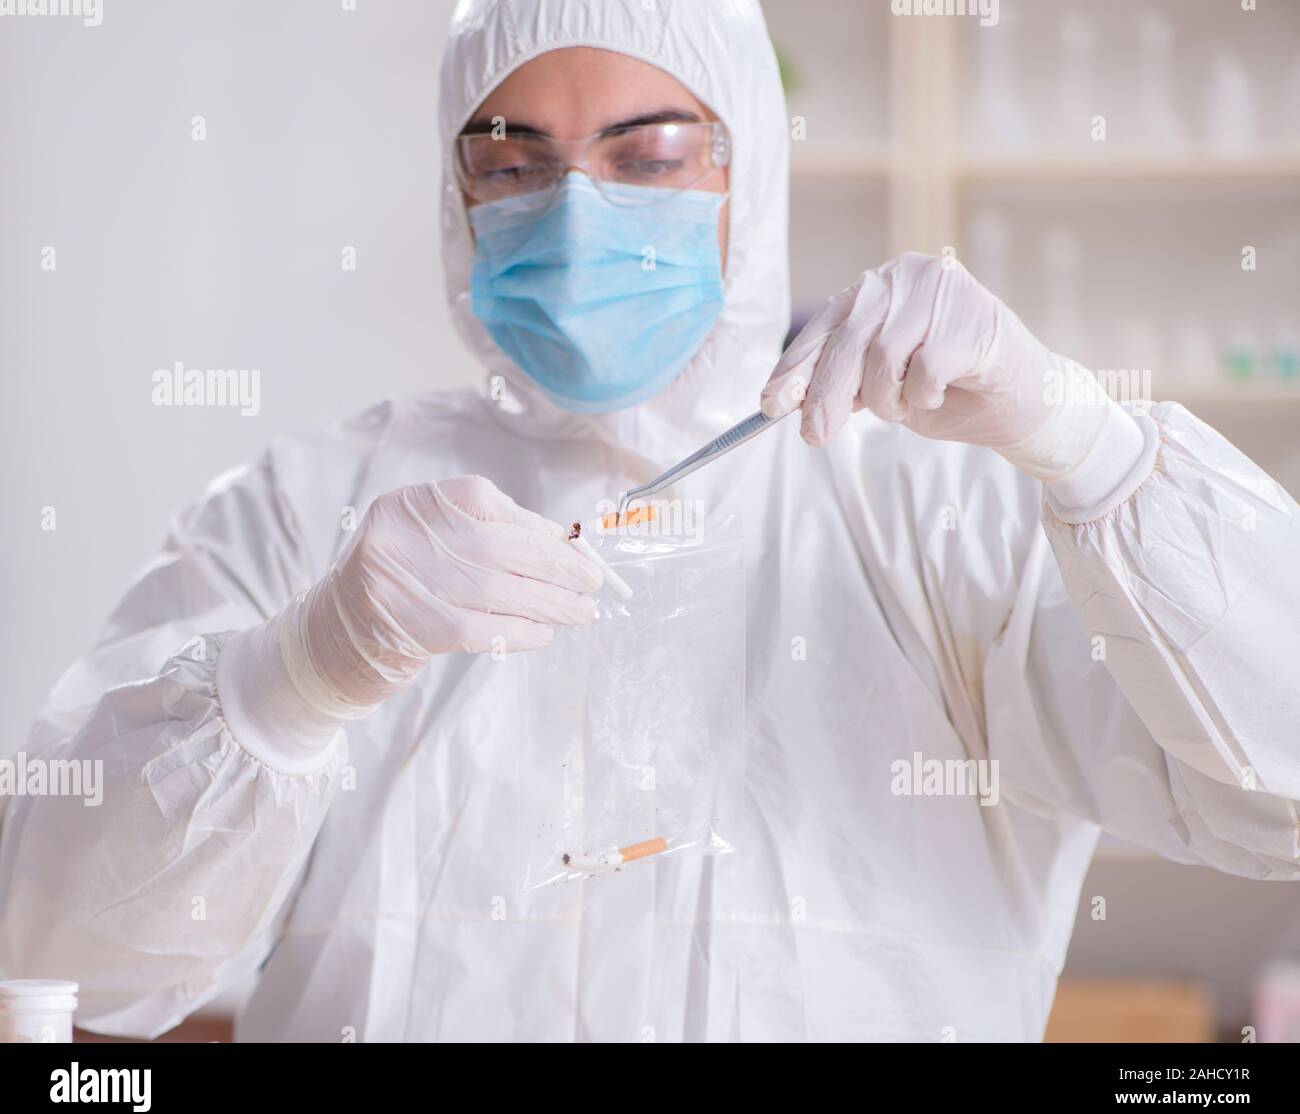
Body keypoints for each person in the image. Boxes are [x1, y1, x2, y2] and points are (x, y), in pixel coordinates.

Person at [2, 0, 1298, 1043]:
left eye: (651, 155)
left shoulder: (934, 505)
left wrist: (1085, 441)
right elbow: (56, 963)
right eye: (512, 163)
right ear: (457, 199)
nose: (574, 211)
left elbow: (1276, 798)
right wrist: (291, 677)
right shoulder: (314, 511)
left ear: (754, 175)